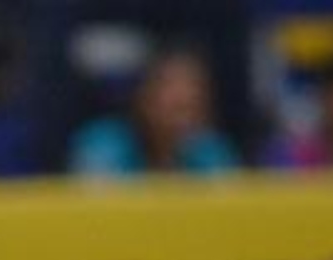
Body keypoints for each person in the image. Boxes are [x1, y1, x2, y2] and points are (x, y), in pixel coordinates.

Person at [67, 41, 240, 176]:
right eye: (175, 104)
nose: (186, 95)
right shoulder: (104, 144)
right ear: (144, 97)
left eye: (196, 91)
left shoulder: (212, 150)